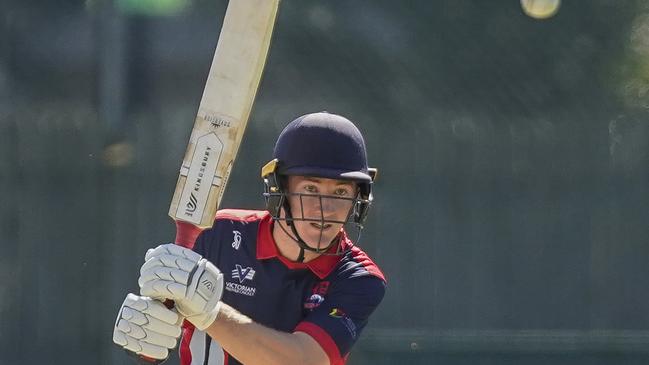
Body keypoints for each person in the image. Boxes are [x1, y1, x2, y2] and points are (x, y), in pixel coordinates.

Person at [113, 112, 387, 365]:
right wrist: (148, 328)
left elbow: (303, 361)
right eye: (310, 188)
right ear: (279, 189)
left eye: (339, 193)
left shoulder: (359, 278)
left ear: (358, 200)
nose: (324, 209)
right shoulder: (215, 233)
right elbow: (154, 338)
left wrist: (208, 313)